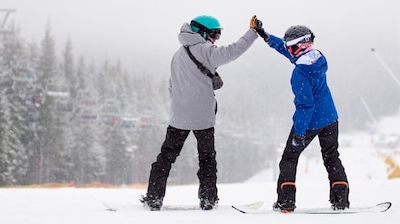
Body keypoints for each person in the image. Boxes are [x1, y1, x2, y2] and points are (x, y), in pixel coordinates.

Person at [141, 15, 259, 210]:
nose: (216, 39)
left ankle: (154, 197)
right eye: (215, 34)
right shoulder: (206, 50)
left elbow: (172, 85)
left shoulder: (178, 54)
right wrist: (252, 33)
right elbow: (232, 51)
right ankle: (208, 199)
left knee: (165, 158)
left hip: (178, 118)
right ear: (203, 32)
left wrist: (181, 105)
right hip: (203, 118)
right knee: (207, 159)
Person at [253, 19, 350, 212]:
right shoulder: (316, 58)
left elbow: (306, 106)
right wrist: (265, 36)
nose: (287, 49)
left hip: (311, 121)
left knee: (289, 158)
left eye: (290, 46)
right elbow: (286, 50)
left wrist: (299, 134)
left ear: (298, 47)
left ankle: (285, 202)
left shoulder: (300, 73)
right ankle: (341, 200)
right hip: (330, 117)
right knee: (332, 157)